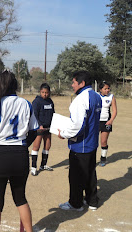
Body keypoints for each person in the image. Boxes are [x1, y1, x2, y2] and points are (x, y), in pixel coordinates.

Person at [0, 71, 39, 232]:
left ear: (2, 85)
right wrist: (23, 146)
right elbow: (34, 131)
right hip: (19, 155)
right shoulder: (26, 103)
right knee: (20, 198)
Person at [58, 70, 101, 211]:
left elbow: (77, 125)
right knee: (90, 173)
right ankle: (92, 201)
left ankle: (76, 203)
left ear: (82, 83)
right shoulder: (97, 96)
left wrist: (63, 133)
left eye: (74, 82)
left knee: (76, 175)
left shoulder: (80, 100)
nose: (72, 85)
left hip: (81, 145)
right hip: (92, 143)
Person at [30, 83, 55, 176]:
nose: (45, 94)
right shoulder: (37, 101)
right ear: (40, 92)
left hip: (48, 127)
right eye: (43, 92)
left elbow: (53, 114)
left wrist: (54, 124)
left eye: (47, 92)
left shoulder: (50, 101)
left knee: (47, 145)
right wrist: (39, 125)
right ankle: (33, 167)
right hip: (39, 128)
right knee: (36, 146)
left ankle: (43, 165)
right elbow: (34, 114)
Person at [98, 81, 117, 167]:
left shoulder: (111, 97)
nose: (107, 90)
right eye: (105, 89)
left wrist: (111, 120)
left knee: (103, 141)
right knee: (93, 141)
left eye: (108, 88)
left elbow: (114, 111)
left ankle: (103, 158)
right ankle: (91, 159)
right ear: (100, 89)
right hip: (96, 121)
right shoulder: (96, 96)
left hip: (106, 122)